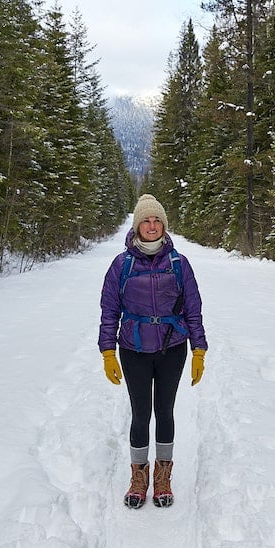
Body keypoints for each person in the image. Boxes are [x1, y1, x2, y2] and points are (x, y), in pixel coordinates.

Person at [98, 194, 207, 509]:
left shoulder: (179, 264)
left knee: (165, 412)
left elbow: (193, 309)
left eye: (157, 219)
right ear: (136, 225)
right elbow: (109, 311)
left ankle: (162, 477)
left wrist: (198, 348)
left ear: (164, 225)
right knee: (140, 414)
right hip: (134, 349)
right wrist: (108, 352)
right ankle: (138, 477)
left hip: (172, 347)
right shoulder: (122, 265)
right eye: (146, 219)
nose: (152, 225)